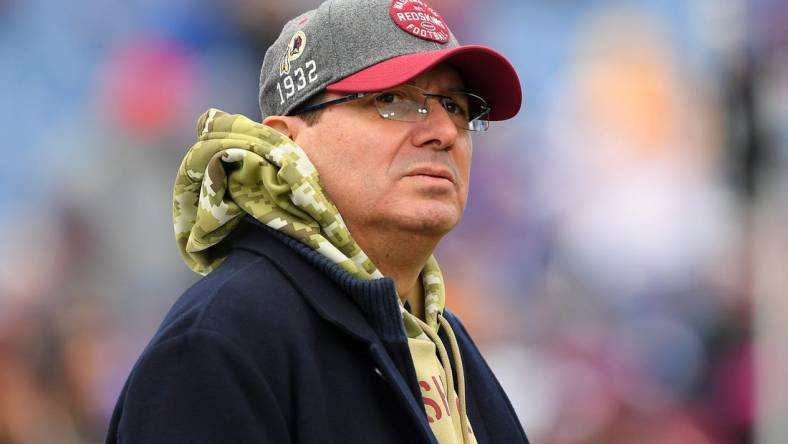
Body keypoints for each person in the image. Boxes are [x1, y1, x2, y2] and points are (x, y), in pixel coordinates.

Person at [106, 0, 526, 443]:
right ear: (287, 142)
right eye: (391, 100)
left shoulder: (447, 343)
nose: (443, 132)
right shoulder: (219, 341)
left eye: (458, 107)